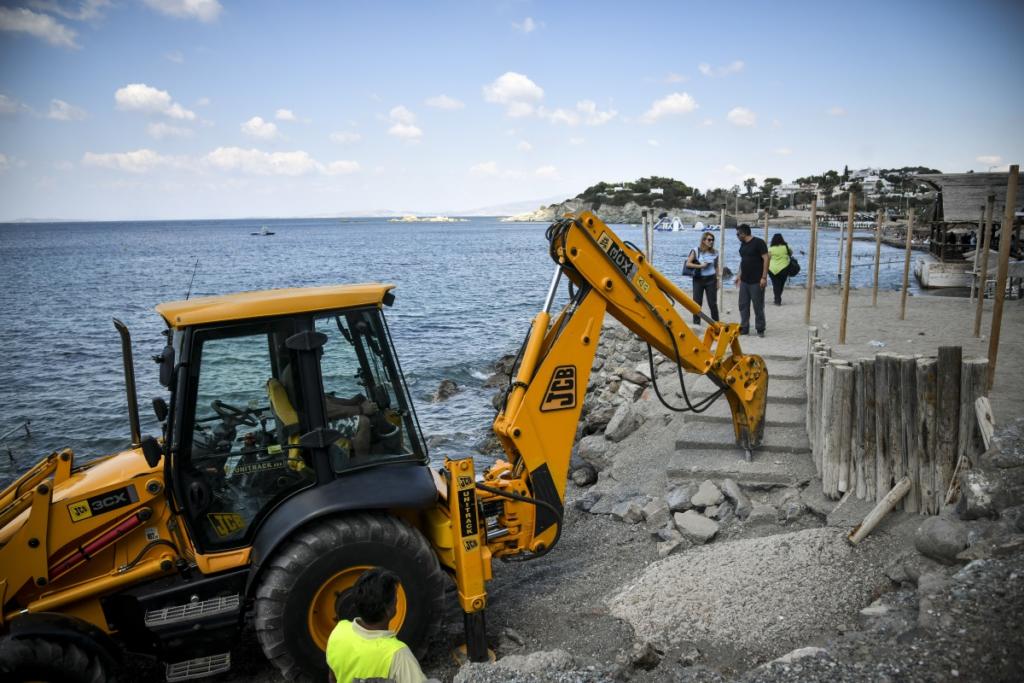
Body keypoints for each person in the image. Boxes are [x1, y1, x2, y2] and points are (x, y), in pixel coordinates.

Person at [326, 568, 427, 683]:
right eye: (395, 598)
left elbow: (332, 677)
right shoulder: (398, 655)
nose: (396, 600)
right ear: (389, 610)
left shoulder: (339, 631)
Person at [733, 223, 769, 337]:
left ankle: (760, 329)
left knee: (758, 306)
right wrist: (739, 275)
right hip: (744, 280)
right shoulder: (742, 245)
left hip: (756, 281)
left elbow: (766, 259)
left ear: (743, 233)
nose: (737, 236)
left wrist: (764, 277)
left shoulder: (759, 243)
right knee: (743, 305)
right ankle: (744, 328)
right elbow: (743, 261)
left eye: (738, 234)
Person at [685, 231, 720, 325]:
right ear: (704, 240)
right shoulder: (696, 250)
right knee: (697, 303)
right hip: (698, 280)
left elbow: (716, 266)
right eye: (709, 239)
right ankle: (696, 323)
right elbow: (688, 263)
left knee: (712, 303)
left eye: (712, 240)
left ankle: (716, 324)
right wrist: (701, 266)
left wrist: (718, 280)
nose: (711, 242)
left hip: (711, 279)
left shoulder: (715, 252)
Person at [767, 233, 792, 306]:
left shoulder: (770, 249)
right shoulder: (786, 247)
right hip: (784, 268)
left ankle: (777, 299)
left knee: (775, 284)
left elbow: (768, 258)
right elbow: (791, 253)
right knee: (781, 285)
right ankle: (777, 299)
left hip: (772, 269)